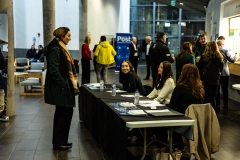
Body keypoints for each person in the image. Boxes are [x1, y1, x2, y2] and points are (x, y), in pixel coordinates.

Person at [44, 27, 80, 150]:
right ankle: (59, 142)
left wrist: (73, 63)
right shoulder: (55, 49)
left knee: (63, 113)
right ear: (62, 36)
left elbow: (63, 64)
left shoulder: (60, 47)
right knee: (64, 113)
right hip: (61, 88)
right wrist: (64, 84)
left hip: (62, 87)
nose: (70, 38)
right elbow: (54, 70)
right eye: (68, 36)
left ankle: (61, 141)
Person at [198, 41, 223, 109]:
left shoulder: (204, 57)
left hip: (205, 81)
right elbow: (221, 69)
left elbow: (199, 68)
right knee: (212, 98)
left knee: (205, 99)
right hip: (215, 82)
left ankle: (205, 115)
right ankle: (212, 114)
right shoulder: (219, 58)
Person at [215, 40, 238, 109]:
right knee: (225, 89)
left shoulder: (214, 51)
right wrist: (236, 55)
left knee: (217, 89)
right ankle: (225, 104)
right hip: (224, 73)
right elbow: (232, 60)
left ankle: (217, 104)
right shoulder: (225, 50)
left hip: (216, 73)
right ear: (221, 44)